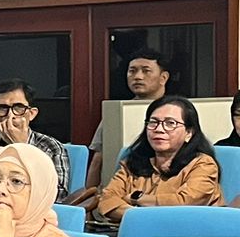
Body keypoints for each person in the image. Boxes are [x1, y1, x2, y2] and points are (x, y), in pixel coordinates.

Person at [95, 94, 222, 224]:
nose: (159, 129)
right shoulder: (133, 161)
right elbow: (107, 199)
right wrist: (137, 215)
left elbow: (184, 204)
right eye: (153, 122)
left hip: (188, 232)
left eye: (170, 123)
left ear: (188, 133)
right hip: (135, 228)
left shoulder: (203, 164)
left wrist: (137, 199)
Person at [85, 47, 170, 190]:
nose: (138, 77)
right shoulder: (116, 112)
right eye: (132, 71)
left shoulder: (176, 111)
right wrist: (89, 195)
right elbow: (98, 160)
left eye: (146, 71)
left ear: (163, 78)